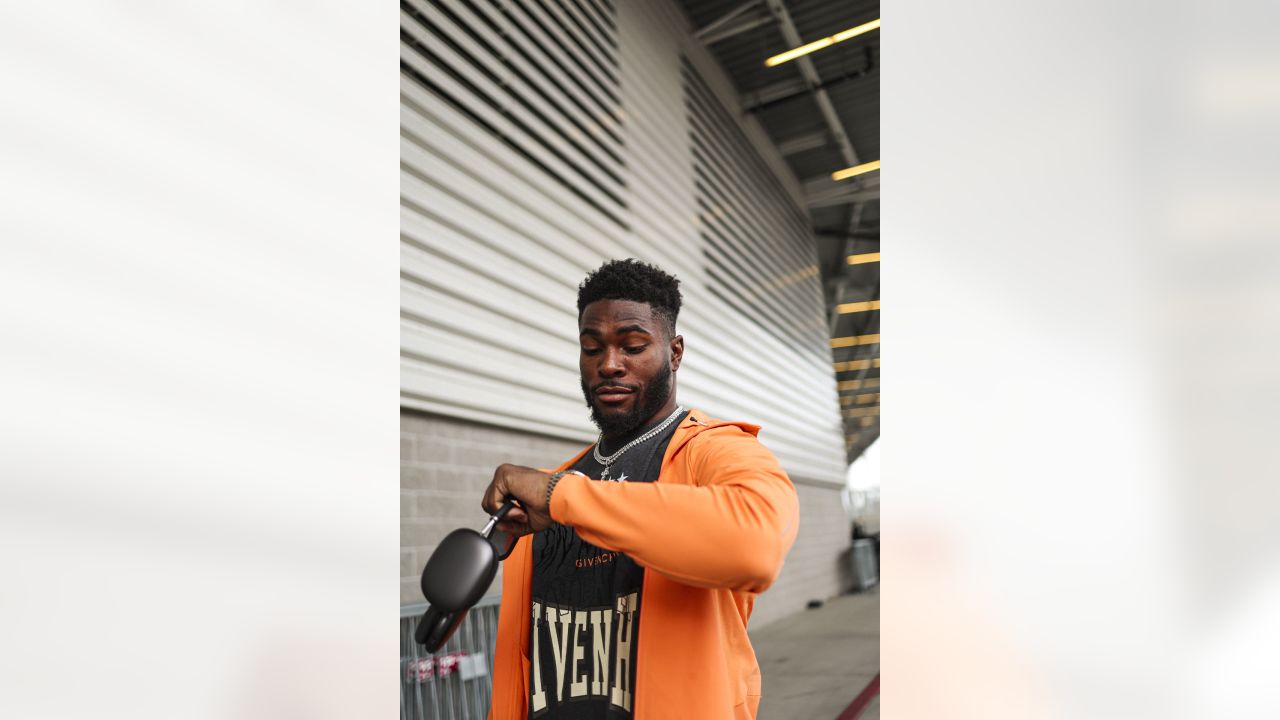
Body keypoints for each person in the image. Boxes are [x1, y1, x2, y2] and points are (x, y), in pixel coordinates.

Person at [481, 258, 799, 720]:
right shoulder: (557, 484)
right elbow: (524, 662)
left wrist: (563, 496)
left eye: (632, 346)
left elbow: (755, 543)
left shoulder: (713, 451)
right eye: (592, 348)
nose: (609, 365)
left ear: (674, 352)